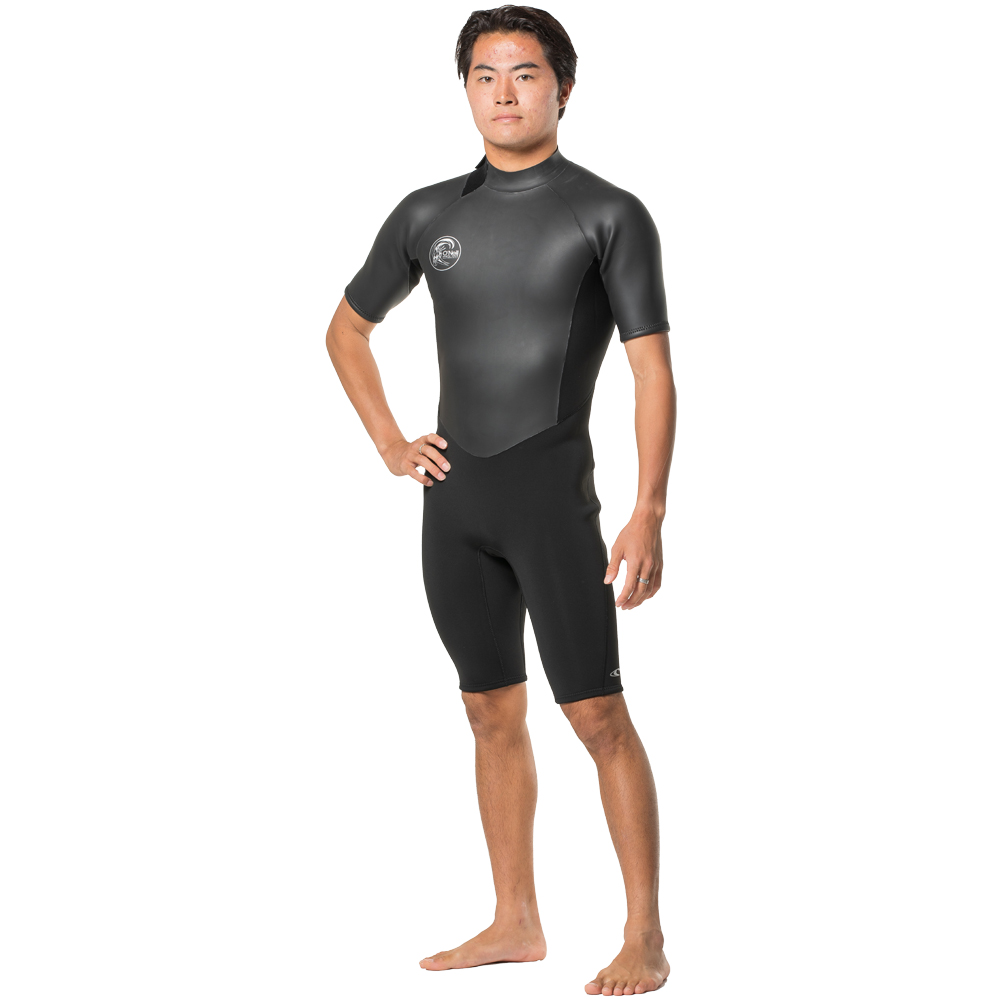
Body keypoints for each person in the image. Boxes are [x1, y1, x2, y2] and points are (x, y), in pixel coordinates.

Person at [326, 6, 676, 995]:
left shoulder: (608, 213)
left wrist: (648, 509)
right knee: (487, 709)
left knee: (596, 715)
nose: (505, 93)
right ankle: (515, 919)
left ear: (563, 87)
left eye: (525, 74)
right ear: (466, 90)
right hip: (456, 504)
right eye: (484, 76)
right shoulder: (426, 215)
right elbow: (345, 331)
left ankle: (645, 935)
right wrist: (390, 442)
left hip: (552, 504)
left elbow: (652, 371)